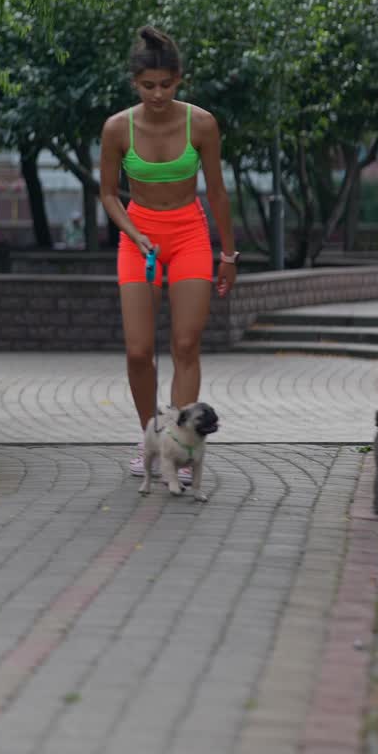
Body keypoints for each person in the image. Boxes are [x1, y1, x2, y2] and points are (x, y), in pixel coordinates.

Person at [99, 25, 239, 480]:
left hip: (189, 235)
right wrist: (133, 232)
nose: (157, 94)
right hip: (138, 237)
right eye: (148, 86)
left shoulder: (202, 124)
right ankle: (151, 439)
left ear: (179, 79)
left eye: (166, 84)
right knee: (139, 351)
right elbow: (108, 194)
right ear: (134, 83)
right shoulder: (117, 128)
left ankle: (180, 445)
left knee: (185, 344)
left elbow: (216, 192)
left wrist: (228, 255)